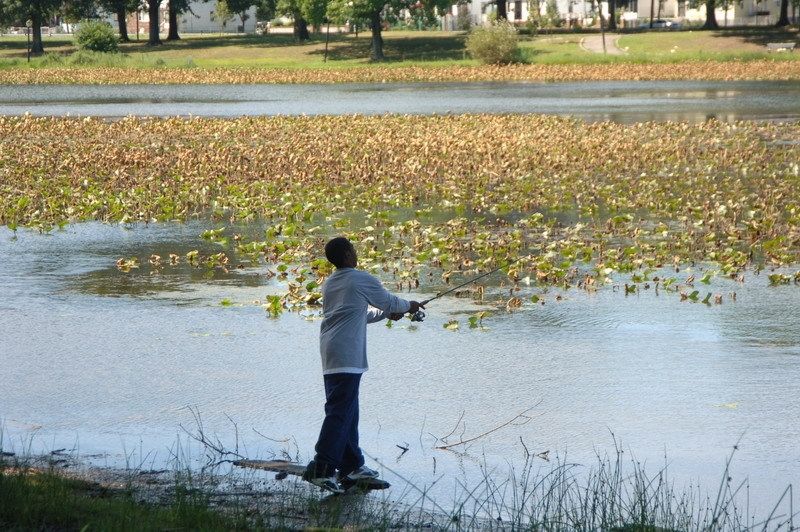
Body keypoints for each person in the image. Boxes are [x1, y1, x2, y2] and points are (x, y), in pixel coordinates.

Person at [302, 236, 424, 493]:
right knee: (339, 412)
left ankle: (352, 467)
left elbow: (359, 313)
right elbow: (390, 301)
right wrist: (410, 306)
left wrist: (386, 314)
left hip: (331, 352)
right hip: (347, 354)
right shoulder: (359, 278)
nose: (356, 253)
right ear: (347, 255)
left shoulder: (331, 283)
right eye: (353, 249)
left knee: (347, 411)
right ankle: (321, 468)